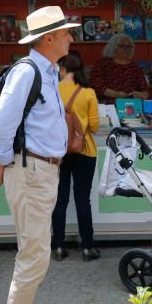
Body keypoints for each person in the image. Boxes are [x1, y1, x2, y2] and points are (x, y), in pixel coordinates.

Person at [0, 5, 78, 304]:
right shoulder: (29, 72)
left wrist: (3, 162)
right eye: (67, 32)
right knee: (35, 254)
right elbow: (2, 124)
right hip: (32, 171)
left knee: (35, 252)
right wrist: (1, 161)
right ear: (49, 38)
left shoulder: (46, 71)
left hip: (38, 171)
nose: (71, 37)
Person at [51, 50, 101, 262]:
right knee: (83, 199)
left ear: (63, 69)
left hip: (58, 151)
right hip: (85, 150)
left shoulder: (54, 90)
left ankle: (59, 247)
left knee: (60, 200)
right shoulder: (88, 92)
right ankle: (87, 247)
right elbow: (96, 126)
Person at [90, 34, 148, 102]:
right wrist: (116, 94)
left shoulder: (135, 67)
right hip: (107, 106)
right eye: (121, 46)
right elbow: (97, 86)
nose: (125, 49)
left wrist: (142, 95)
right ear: (113, 47)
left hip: (131, 106)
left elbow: (145, 90)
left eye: (128, 46)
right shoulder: (102, 64)